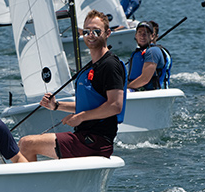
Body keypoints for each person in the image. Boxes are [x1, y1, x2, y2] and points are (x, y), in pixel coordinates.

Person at [18, 10, 127, 161]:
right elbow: (88, 105)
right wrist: (56, 106)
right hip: (84, 137)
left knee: (26, 144)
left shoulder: (110, 65)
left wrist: (81, 117)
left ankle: (31, 185)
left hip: (95, 142)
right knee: (27, 143)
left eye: (96, 31)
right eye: (87, 31)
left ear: (107, 33)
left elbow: (115, 105)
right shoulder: (93, 65)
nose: (91, 35)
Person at [127, 21, 172, 91]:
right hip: (138, 90)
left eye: (146, 33)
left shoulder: (153, 52)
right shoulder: (139, 52)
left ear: (152, 36)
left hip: (151, 93)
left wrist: (126, 87)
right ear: (135, 35)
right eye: (140, 32)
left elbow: (145, 79)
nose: (142, 36)